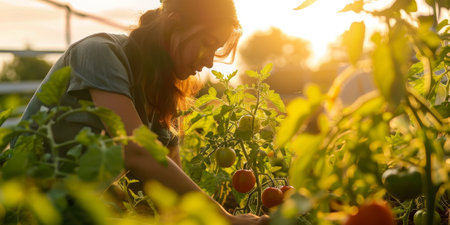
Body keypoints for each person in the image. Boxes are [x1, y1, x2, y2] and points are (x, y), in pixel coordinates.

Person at [16, 0, 269, 224]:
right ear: (174, 23)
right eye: (207, 43)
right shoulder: (100, 53)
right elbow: (135, 150)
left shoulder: (158, 94)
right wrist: (223, 219)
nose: (209, 62)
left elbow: (171, 200)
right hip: (19, 208)